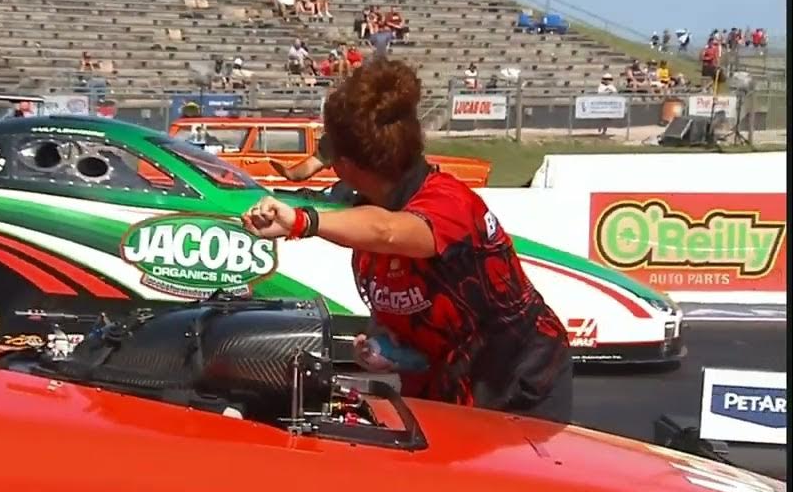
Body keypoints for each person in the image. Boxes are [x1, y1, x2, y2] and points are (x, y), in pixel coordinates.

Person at [240, 59, 573, 422]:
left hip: (518, 379)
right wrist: (380, 342)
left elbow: (389, 231)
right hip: (444, 381)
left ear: (345, 164)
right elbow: (396, 299)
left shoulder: (448, 201)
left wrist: (303, 222)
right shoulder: (362, 208)